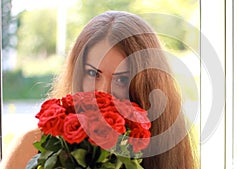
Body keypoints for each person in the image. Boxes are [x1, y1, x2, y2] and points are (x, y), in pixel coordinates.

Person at [0, 11, 199, 169]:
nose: (103, 92)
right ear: (78, 72)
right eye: (93, 74)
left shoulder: (168, 151)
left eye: (121, 79)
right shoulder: (31, 145)